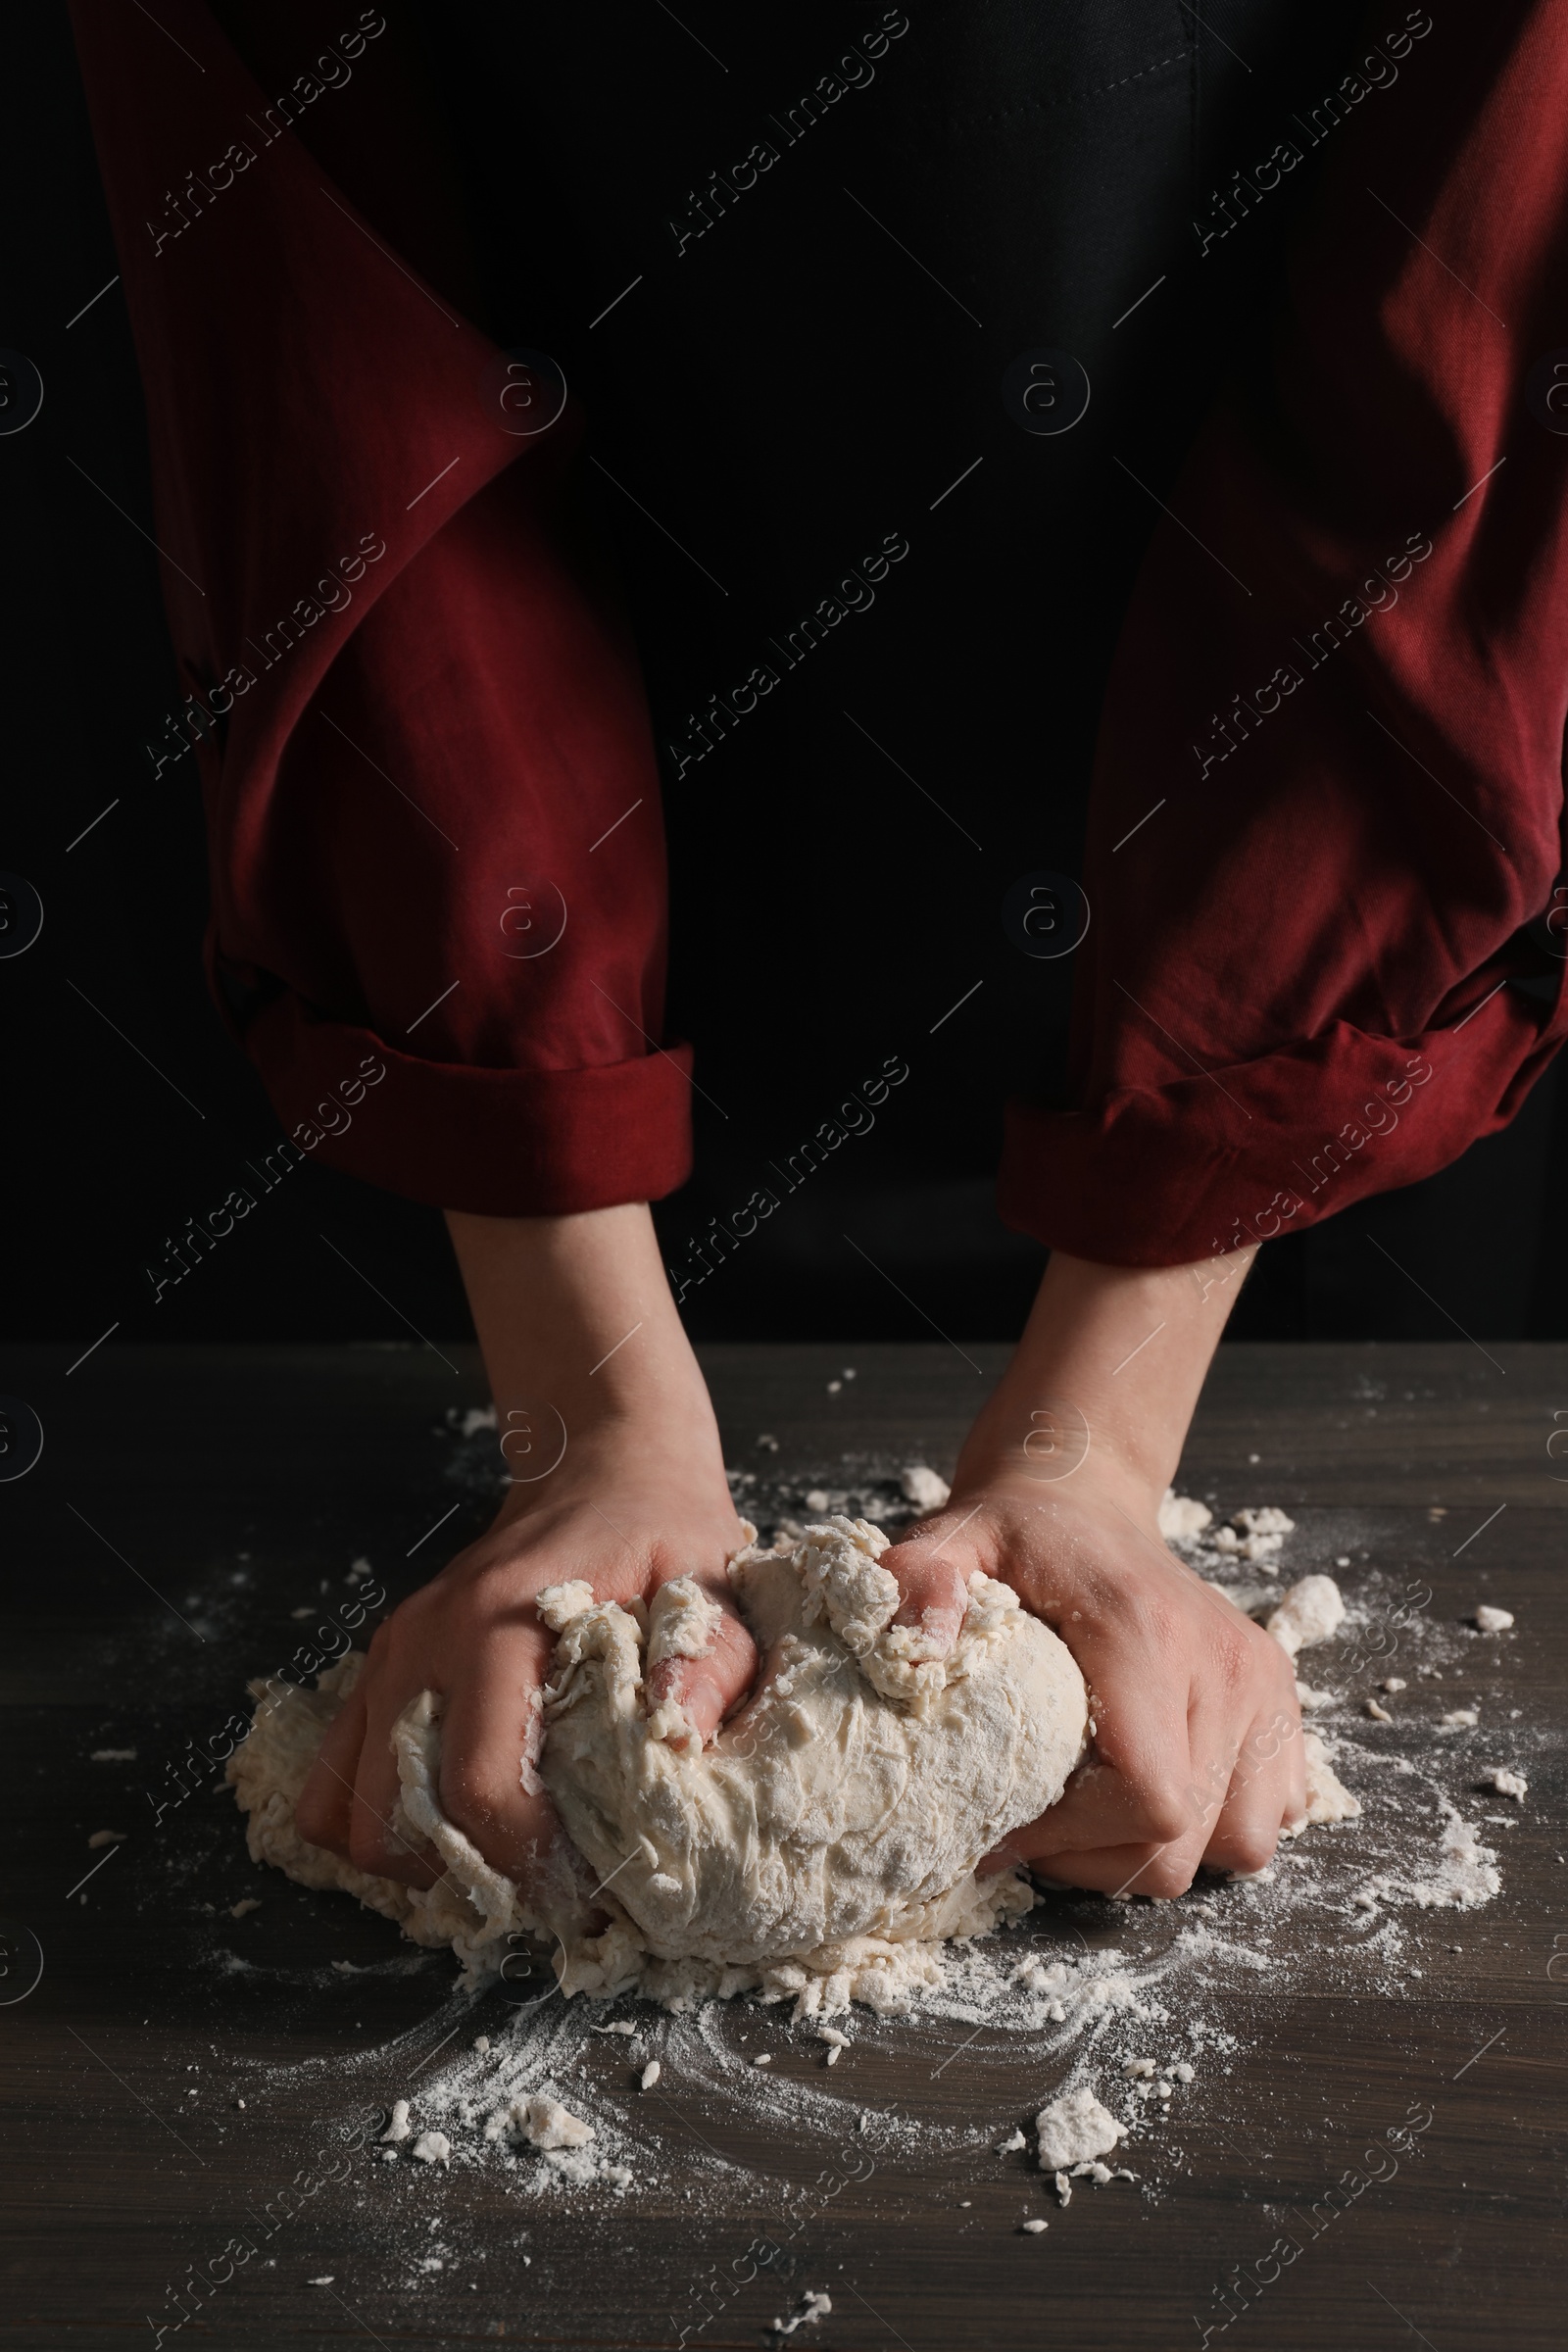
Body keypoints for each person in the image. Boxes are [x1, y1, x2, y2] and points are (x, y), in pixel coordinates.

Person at [68, 0, 1567, 1912]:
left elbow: (1444, 423)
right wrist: (583, 1405)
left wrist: (1097, 1452)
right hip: (412, 1001)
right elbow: (337, 368)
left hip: (1296, 1010)